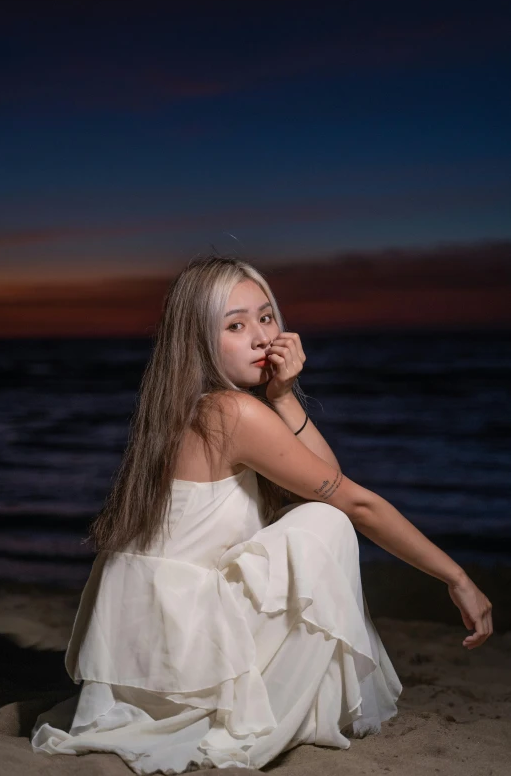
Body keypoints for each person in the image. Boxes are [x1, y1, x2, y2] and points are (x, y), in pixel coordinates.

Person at [31, 255, 493, 774]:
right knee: (328, 523)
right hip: (184, 660)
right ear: (199, 340)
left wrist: (283, 394)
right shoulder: (232, 412)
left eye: (267, 316)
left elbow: (324, 477)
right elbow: (350, 502)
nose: (260, 337)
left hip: (146, 658)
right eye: (235, 325)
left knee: (319, 516)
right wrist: (455, 577)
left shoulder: (181, 408)